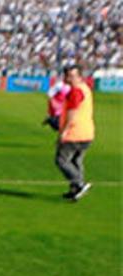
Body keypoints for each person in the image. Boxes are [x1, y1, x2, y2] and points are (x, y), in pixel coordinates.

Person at [56, 65, 94, 201]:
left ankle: (79, 184)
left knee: (62, 161)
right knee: (76, 161)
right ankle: (75, 190)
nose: (69, 78)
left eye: (72, 76)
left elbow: (72, 113)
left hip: (75, 133)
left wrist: (64, 131)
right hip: (87, 132)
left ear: (79, 76)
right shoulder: (85, 89)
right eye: (67, 75)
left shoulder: (76, 91)